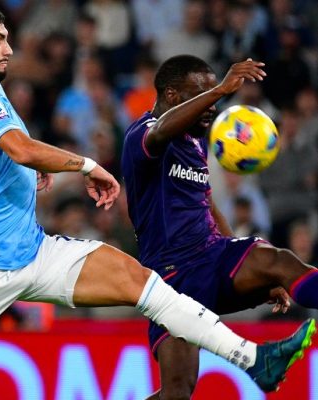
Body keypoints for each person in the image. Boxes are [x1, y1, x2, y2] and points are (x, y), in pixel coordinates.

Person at [0, 5, 315, 399]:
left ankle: (255, 359)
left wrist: (27, 172)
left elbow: (8, 154)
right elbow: (20, 147)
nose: (9, 48)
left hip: (34, 251)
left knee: (143, 284)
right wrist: (85, 165)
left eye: (8, 38)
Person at [121, 54, 318, 400]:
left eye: (214, 95)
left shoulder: (196, 141)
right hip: (172, 278)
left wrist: (251, 267)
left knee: (279, 261)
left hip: (212, 256)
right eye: (203, 94)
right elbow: (160, 131)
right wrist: (223, 89)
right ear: (172, 95)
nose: (212, 106)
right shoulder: (143, 134)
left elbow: (207, 203)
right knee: (177, 392)